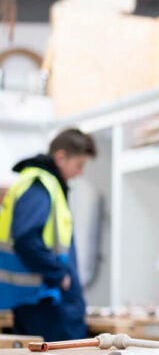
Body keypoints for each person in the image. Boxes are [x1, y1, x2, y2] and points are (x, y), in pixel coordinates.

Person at [0, 128, 96, 341]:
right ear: (61, 157)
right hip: (46, 303)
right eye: (78, 165)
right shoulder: (40, 186)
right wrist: (59, 273)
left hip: (43, 301)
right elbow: (26, 238)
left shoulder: (43, 185)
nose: (80, 172)